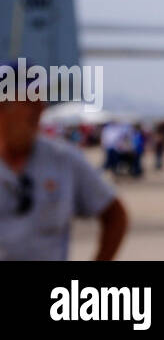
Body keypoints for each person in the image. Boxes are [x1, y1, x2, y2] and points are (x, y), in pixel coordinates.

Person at [0, 65, 128, 260]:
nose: (40, 108)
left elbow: (115, 215)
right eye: (29, 101)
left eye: (40, 100)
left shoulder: (63, 159)